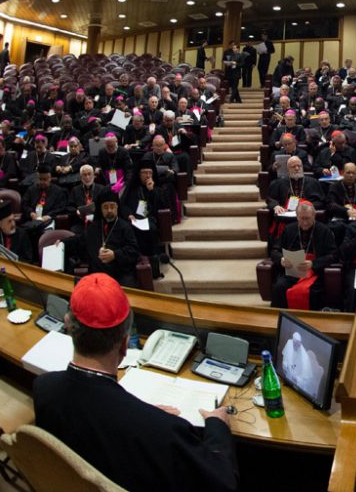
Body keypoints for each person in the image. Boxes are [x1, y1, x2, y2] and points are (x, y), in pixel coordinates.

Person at [34, 274, 238, 492]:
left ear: (68, 326)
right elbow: (223, 483)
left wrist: (146, 415)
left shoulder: (43, 387)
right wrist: (217, 427)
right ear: (124, 344)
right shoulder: (162, 431)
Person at [64, 190, 141, 287]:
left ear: (117, 207)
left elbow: (133, 250)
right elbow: (78, 241)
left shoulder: (125, 227)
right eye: (105, 207)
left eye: (112, 206)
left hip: (121, 273)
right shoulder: (94, 227)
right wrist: (62, 243)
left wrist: (115, 255)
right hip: (98, 275)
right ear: (100, 209)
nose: (109, 210)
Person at [270, 201, 336, 310]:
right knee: (279, 287)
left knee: (313, 292)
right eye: (302, 218)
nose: (305, 223)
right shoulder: (289, 229)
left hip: (315, 273)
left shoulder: (324, 231)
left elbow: (333, 255)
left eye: (308, 218)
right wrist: (281, 260)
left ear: (314, 215)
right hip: (292, 272)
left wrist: (313, 264)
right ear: (297, 216)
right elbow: (274, 251)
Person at [281, 332, 319, 398]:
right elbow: (285, 357)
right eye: (294, 343)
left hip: (299, 388)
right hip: (288, 382)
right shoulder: (289, 343)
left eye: (296, 344)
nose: (294, 345)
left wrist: (297, 379)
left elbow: (307, 381)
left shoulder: (305, 358)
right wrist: (285, 365)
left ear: (300, 344)